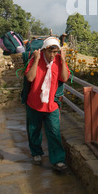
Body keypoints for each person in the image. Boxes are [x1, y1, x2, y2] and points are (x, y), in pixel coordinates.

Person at [25, 36, 70, 171]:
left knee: (54, 132)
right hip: (34, 103)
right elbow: (30, 77)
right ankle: (37, 153)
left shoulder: (58, 61)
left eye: (55, 52)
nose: (52, 55)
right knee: (34, 130)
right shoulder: (35, 60)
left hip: (52, 104)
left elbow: (64, 78)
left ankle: (57, 160)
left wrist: (62, 60)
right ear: (44, 50)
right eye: (50, 52)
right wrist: (37, 59)